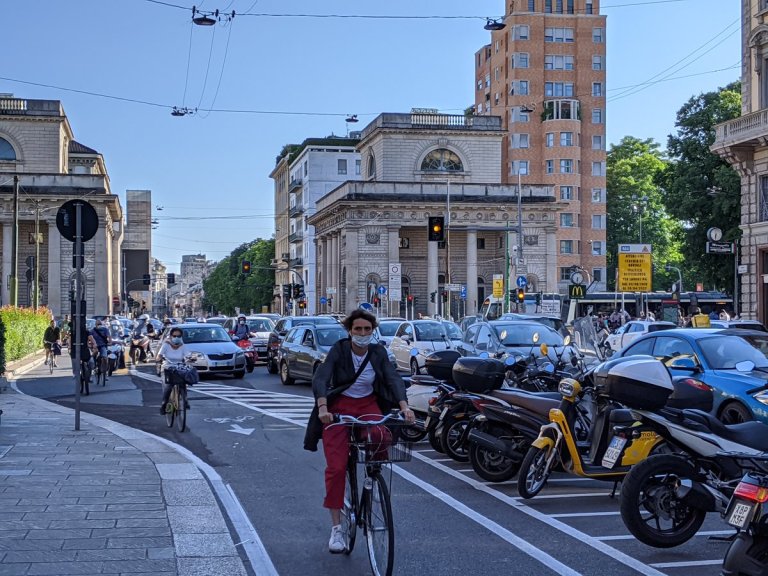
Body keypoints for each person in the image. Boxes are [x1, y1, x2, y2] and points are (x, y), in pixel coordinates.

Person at [304, 309, 415, 554]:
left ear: (372, 331)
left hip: (367, 405)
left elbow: (393, 378)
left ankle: (373, 478)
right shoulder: (339, 350)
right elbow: (321, 378)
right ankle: (336, 530)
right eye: (358, 329)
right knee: (336, 467)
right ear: (349, 331)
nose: (362, 334)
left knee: (380, 435)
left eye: (367, 329)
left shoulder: (377, 352)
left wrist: (405, 407)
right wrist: (323, 407)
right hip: (339, 408)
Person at [156, 326, 191, 414]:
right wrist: (159, 358)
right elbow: (159, 355)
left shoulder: (183, 346)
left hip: (179, 368)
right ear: (171, 336)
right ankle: (163, 405)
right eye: (174, 336)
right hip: (167, 368)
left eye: (179, 336)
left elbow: (188, 355)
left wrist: (191, 358)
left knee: (183, 384)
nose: (176, 338)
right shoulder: (166, 345)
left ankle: (185, 400)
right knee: (168, 387)